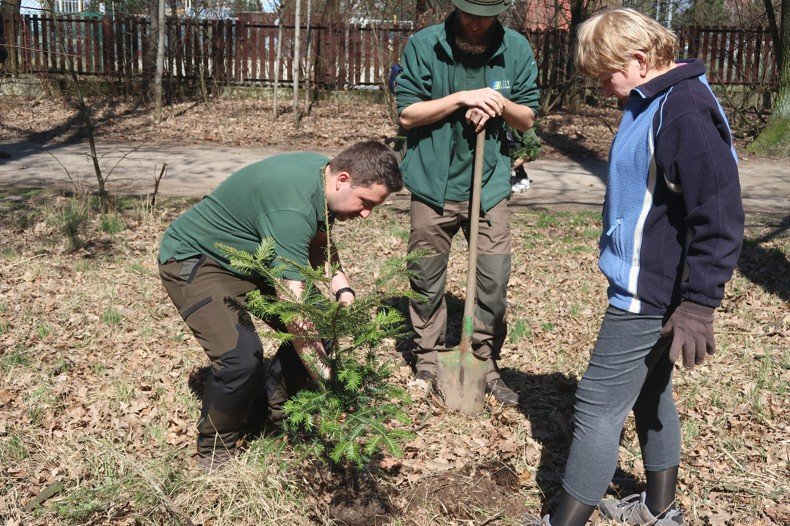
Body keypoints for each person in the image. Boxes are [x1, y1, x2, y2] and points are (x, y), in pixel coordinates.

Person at [524, 9, 744, 526]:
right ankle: (658, 509)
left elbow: (719, 213)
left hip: (649, 291)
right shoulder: (650, 99)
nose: (605, 89)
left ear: (640, 60)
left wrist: (699, 304)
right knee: (650, 389)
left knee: (597, 405)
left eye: (607, 76)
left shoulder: (683, 109)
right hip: (647, 281)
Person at [157, 141, 403, 469]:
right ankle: (216, 448)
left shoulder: (324, 176)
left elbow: (318, 237)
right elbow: (297, 316)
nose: (366, 213)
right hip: (198, 260)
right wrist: (327, 379)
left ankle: (278, 409)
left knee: (323, 324)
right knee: (240, 359)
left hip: (257, 259)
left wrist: (342, 287)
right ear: (344, 179)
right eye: (365, 202)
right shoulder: (291, 208)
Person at [395, 0, 540, 406]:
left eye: (486, 15)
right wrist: (462, 98)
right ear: (456, 9)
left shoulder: (515, 49)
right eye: (469, 14)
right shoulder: (426, 45)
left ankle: (484, 360)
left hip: (489, 185)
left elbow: (527, 117)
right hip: (432, 185)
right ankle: (427, 358)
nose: (477, 24)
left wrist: (498, 105)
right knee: (425, 278)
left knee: (493, 281)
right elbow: (407, 114)